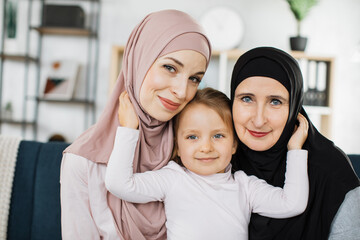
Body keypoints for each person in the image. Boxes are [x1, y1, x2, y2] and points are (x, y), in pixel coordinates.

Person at [60, 9, 211, 240]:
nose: (181, 92)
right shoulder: (83, 162)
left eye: (194, 79)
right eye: (170, 68)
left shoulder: (195, 149)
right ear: (139, 60)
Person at [105, 87, 309, 240]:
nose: (206, 147)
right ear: (177, 146)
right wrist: (129, 129)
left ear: (234, 145)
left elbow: (292, 203)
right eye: (192, 137)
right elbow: (119, 183)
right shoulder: (173, 178)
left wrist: (295, 149)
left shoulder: (245, 186)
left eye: (218, 136)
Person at [230, 46, 360, 240]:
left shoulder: (331, 171)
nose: (258, 120)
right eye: (246, 99)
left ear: (294, 108)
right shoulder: (215, 158)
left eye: (275, 101)